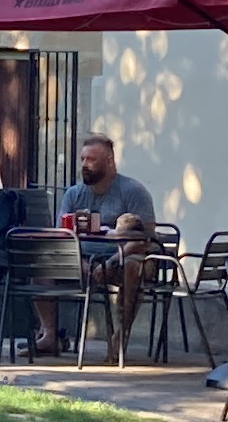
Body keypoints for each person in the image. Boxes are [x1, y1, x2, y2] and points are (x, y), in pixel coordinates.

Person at [35, 133, 155, 360]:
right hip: (81, 259)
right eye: (82, 159)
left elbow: (145, 238)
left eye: (91, 160)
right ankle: (49, 334)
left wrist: (111, 261)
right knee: (41, 263)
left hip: (122, 258)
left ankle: (120, 336)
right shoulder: (73, 194)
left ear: (109, 161)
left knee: (133, 267)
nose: (84, 165)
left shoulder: (133, 191)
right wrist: (82, 265)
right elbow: (62, 235)